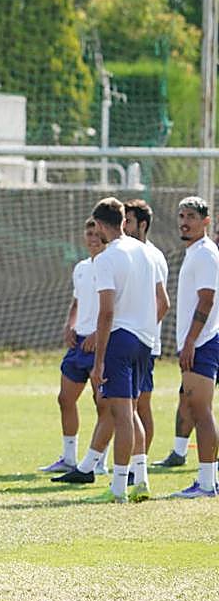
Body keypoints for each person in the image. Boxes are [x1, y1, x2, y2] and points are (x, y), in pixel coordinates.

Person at [52, 197, 157, 502]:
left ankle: (119, 489)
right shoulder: (145, 251)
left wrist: (98, 362)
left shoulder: (107, 258)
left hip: (120, 339)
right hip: (145, 339)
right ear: (124, 220)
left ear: (98, 225)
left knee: (120, 413)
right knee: (132, 411)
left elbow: (107, 311)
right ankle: (142, 480)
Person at [39, 218, 104, 473]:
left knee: (104, 404)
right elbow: (77, 302)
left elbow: (115, 307)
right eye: (89, 233)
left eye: (97, 233)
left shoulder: (111, 265)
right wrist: (70, 324)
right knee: (65, 399)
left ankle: (100, 461)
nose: (92, 238)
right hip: (79, 344)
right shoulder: (80, 268)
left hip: (101, 345)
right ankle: (69, 457)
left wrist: (98, 335)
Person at [168, 197, 219, 498]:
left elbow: (207, 299)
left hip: (203, 342)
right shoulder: (196, 252)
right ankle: (208, 480)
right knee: (194, 408)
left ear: (206, 222)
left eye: (191, 217)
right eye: (181, 216)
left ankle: (206, 483)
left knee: (201, 411)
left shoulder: (204, 254)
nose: (184, 222)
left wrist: (189, 341)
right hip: (198, 342)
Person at [123, 199, 170, 468]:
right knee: (124, 405)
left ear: (143, 224)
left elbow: (161, 303)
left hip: (144, 344)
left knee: (141, 405)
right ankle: (123, 461)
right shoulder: (128, 253)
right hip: (130, 341)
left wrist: (143, 331)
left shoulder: (151, 256)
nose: (124, 226)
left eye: (128, 221)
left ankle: (139, 463)